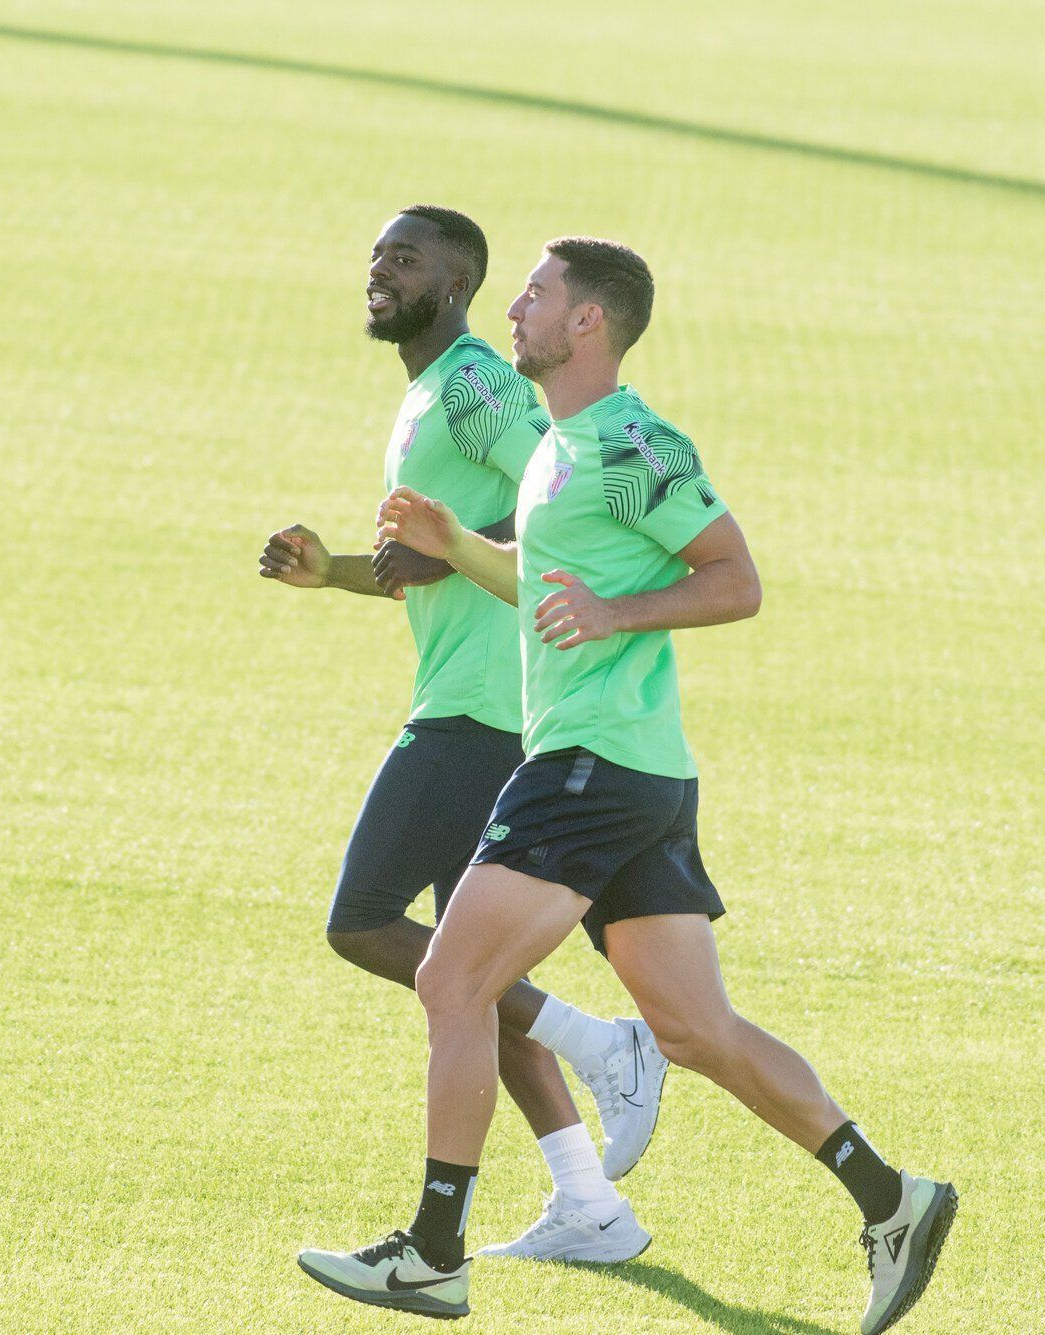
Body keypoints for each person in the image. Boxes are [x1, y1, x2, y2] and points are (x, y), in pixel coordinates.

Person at [297, 237, 957, 1331]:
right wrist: (454, 540)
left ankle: (432, 1249)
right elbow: (543, 582)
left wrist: (616, 614)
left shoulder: (631, 441)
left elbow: (734, 578)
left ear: (588, 322)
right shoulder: (555, 447)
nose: (514, 306)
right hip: (632, 774)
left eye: (536, 293)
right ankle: (891, 1200)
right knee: (695, 1032)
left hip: (588, 767)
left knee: (452, 985)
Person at [260, 209, 669, 1265]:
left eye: (403, 259)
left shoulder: (478, 385)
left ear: (454, 285)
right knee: (465, 973)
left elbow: (555, 498)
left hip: (481, 711)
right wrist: (335, 573)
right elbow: (427, 565)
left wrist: (448, 552)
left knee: (361, 923)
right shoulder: (426, 395)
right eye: (374, 256)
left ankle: (602, 1041)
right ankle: (589, 1205)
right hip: (469, 696)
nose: (377, 270)